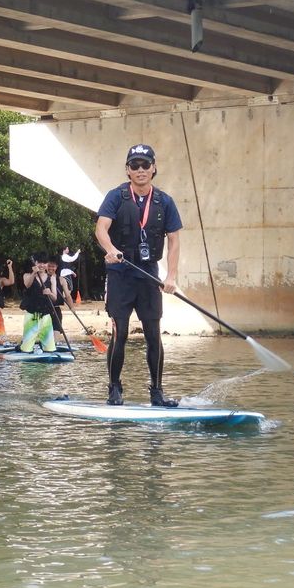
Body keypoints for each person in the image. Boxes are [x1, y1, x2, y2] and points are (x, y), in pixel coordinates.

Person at [95, 143, 184, 406]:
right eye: (135, 165)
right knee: (119, 332)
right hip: (120, 274)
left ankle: (157, 392)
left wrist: (171, 277)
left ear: (154, 168)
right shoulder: (116, 196)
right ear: (128, 170)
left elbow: (175, 242)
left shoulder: (165, 202)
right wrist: (111, 250)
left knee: (153, 333)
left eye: (146, 165)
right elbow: (101, 229)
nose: (141, 169)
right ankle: (114, 388)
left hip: (149, 275)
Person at [19, 251, 59, 354]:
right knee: (27, 348)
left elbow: (55, 298)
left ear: (47, 264)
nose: (41, 265)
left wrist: (49, 293)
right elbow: (27, 285)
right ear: (35, 263)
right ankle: (24, 348)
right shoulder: (27, 275)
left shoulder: (52, 278)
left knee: (49, 349)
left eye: (44, 263)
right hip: (31, 315)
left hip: (46, 316)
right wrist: (34, 273)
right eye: (39, 262)